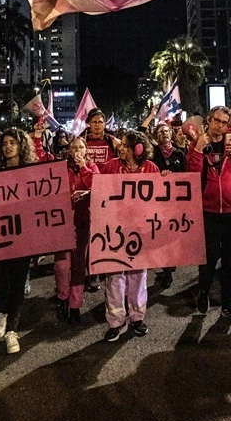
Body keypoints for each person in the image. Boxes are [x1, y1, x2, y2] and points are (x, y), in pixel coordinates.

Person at [186, 106, 231, 325]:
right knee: (209, 258)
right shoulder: (198, 144)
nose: (221, 126)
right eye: (217, 121)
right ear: (209, 120)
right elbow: (191, 177)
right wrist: (197, 151)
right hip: (209, 211)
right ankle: (203, 291)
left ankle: (228, 304)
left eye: (225, 122)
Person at [100, 129, 159, 340]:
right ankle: (116, 322)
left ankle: (137, 318)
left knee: (138, 274)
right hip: (115, 230)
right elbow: (98, 189)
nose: (120, 148)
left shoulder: (151, 168)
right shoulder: (110, 167)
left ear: (138, 148)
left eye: (125, 145)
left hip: (140, 230)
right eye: (121, 145)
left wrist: (165, 180)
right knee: (114, 275)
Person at [0, 128, 38, 353]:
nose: (8, 147)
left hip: (23, 235)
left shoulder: (32, 172)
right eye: (5, 143)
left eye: (13, 143)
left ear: (21, 146)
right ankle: (2, 311)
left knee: (17, 283)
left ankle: (12, 331)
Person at [54, 137, 98, 324]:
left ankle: (75, 305)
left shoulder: (91, 167)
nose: (78, 150)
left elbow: (96, 185)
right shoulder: (61, 168)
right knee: (62, 266)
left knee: (79, 265)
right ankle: (62, 297)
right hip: (62, 224)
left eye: (81, 147)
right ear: (69, 150)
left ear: (86, 150)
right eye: (74, 147)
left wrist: (83, 168)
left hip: (82, 222)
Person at [149, 123, 185, 290]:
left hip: (176, 201)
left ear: (171, 133)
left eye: (166, 131)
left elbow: (186, 175)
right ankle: (166, 270)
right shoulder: (153, 155)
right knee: (162, 236)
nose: (164, 133)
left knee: (174, 234)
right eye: (160, 132)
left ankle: (171, 261)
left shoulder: (179, 153)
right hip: (159, 202)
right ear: (157, 136)